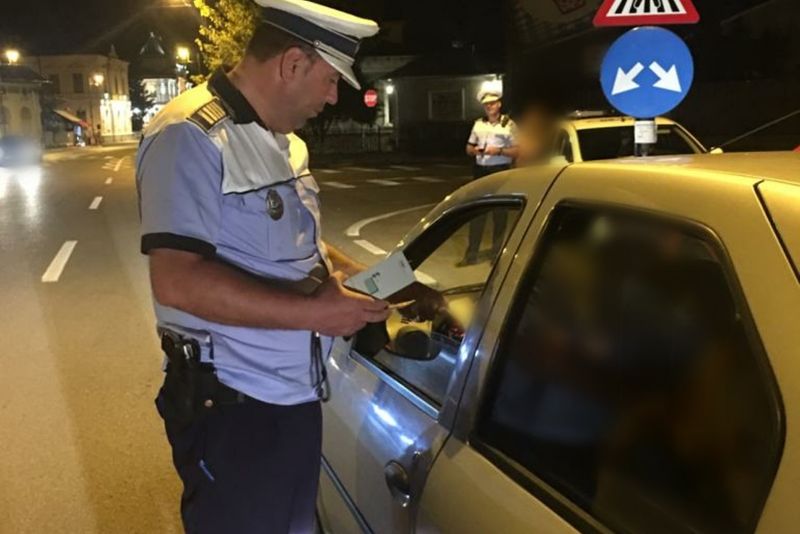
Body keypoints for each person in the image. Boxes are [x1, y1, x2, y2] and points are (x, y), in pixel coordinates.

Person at [134, 0, 392, 531]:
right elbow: (177, 280)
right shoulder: (189, 135)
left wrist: (382, 281)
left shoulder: (285, 143)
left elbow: (303, 251)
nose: (333, 96)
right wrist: (317, 316)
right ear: (292, 63)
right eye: (330, 80)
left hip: (291, 395)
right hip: (234, 410)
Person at [461, 86, 519, 266]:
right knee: (477, 213)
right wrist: (475, 150)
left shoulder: (509, 125)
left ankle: (496, 254)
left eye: (492, 103)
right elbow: (468, 147)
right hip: (480, 171)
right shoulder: (478, 124)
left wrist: (499, 151)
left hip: (500, 171)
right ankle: (471, 255)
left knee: (499, 214)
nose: (489, 106)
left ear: (499, 104)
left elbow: (518, 150)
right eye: (486, 104)